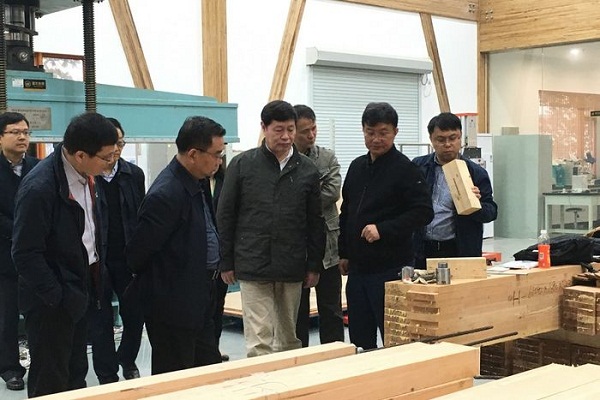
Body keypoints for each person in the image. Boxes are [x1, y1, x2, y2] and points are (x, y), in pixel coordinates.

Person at [11, 112, 118, 397]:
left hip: (80, 290)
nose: (111, 162)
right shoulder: (40, 187)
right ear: (80, 155)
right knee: (51, 379)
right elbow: (25, 253)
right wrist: (57, 297)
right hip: (51, 301)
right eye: (106, 157)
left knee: (75, 374)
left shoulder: (88, 175)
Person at [217, 100, 325, 357]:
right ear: (264, 128)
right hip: (252, 263)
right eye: (279, 130)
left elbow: (315, 221)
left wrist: (314, 265)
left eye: (290, 129)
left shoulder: (307, 170)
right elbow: (225, 215)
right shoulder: (242, 165)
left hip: (291, 264)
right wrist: (226, 261)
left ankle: (287, 381)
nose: (286, 136)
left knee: (288, 338)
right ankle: (261, 382)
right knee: (259, 340)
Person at [126, 116, 224, 375]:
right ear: (193, 154)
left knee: (207, 371)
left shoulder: (197, 181)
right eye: (216, 154)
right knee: (176, 375)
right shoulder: (166, 194)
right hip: (174, 306)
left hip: (200, 296)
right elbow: (138, 254)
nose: (219, 161)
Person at [338, 102, 433, 351]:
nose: (376, 139)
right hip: (358, 269)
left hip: (390, 269)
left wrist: (383, 229)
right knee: (359, 339)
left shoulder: (406, 169)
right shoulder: (357, 167)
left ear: (395, 132)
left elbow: (423, 212)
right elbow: (346, 212)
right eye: (370, 132)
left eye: (383, 133)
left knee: (394, 338)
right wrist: (344, 252)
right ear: (363, 130)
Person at [88, 117, 145, 383]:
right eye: (112, 144)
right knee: (100, 319)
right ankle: (106, 373)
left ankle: (127, 359)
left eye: (121, 143)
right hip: (98, 259)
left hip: (128, 258)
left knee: (134, 314)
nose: (117, 150)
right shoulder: (89, 175)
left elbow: (141, 214)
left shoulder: (134, 174)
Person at [412, 112, 498, 268]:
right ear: (431, 139)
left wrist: (475, 204)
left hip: (459, 250)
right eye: (441, 139)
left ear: (460, 138)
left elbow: (491, 212)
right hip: (422, 249)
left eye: (452, 138)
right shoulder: (418, 167)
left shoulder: (476, 173)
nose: (447, 144)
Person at [292, 104, 344, 347]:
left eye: (314, 129)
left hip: (328, 248)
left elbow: (332, 193)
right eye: (305, 131)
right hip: (297, 247)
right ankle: (301, 358)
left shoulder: (327, 157)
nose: (311, 135)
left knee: (331, 309)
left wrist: (300, 199)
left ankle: (335, 355)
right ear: (292, 131)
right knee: (297, 313)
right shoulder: (285, 160)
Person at [0, 112, 39, 392]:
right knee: (7, 317)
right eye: (15, 132)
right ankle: (10, 369)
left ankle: (42, 363)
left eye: (26, 132)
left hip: (36, 256)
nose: (22, 137)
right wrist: (20, 229)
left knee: (39, 314)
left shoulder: (38, 168)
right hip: (4, 256)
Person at [209, 162, 230, 362]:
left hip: (222, 253)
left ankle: (214, 346)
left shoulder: (226, 181)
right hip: (202, 256)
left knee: (218, 304)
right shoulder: (193, 182)